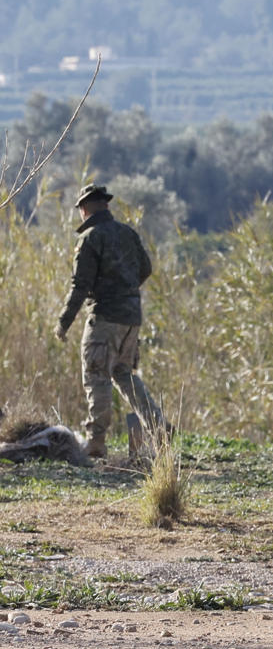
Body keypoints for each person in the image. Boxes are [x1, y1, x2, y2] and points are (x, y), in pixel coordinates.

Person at [55, 184, 165, 461]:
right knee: (124, 373)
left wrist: (63, 322)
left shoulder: (91, 238)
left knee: (97, 375)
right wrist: (125, 290)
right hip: (131, 318)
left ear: (84, 208)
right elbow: (146, 269)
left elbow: (80, 286)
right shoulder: (127, 233)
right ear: (105, 205)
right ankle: (157, 427)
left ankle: (95, 442)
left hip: (104, 318)